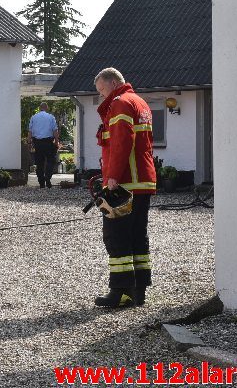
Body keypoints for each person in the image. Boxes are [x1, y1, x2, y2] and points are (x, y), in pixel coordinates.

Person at [93, 68, 156, 307]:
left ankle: (120, 290)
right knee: (138, 236)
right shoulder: (140, 102)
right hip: (143, 182)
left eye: (101, 90)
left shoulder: (120, 103)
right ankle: (138, 290)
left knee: (116, 236)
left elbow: (122, 142)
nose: (101, 96)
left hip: (125, 182)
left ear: (112, 82)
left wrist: (112, 177)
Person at [27, 102, 60, 188]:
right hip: (48, 142)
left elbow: (30, 131)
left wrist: (29, 142)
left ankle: (41, 182)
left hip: (37, 143)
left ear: (39, 108)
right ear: (47, 108)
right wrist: (56, 142)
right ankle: (48, 177)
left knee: (39, 163)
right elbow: (55, 130)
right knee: (50, 160)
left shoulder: (33, 117)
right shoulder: (51, 117)